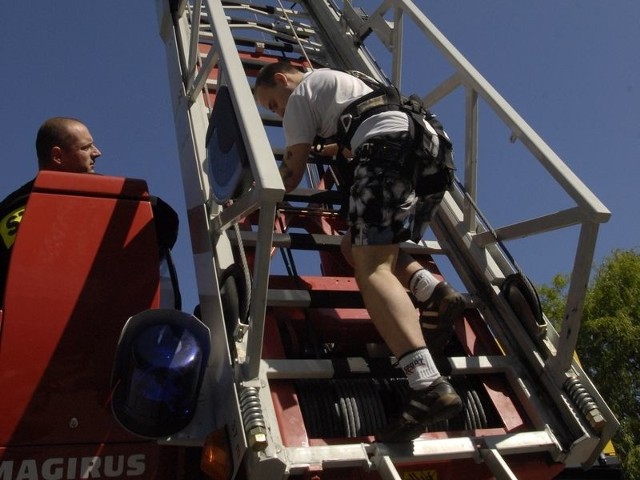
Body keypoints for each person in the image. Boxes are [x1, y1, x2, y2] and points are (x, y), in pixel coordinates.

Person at [254, 63, 466, 441]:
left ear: (283, 80)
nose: (278, 112)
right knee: (358, 244)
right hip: (425, 149)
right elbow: (350, 129)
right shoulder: (344, 80)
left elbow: (291, 171)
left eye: (273, 103)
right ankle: (432, 292)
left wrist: (257, 201)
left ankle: (426, 385)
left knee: (372, 270)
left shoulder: (300, 97)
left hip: (386, 149)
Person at [0, 117, 179, 306]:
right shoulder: (107, 200)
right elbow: (165, 222)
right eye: (86, 148)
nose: (97, 153)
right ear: (58, 156)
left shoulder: (9, 209)